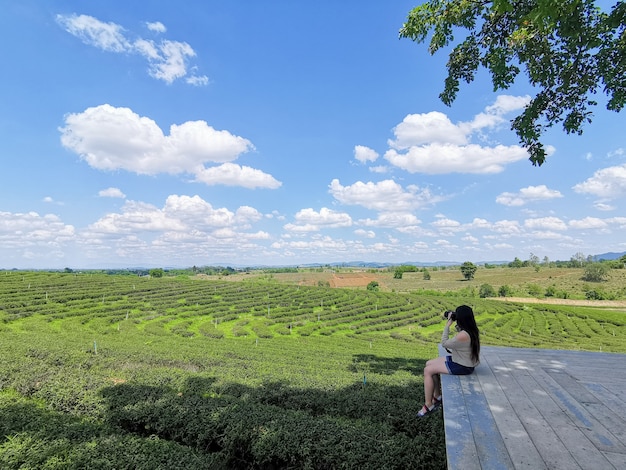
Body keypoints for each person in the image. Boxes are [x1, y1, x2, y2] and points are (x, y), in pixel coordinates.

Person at [417, 304, 480, 417]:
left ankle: (428, 404)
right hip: (461, 359)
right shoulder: (470, 329)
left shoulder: (463, 335)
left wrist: (448, 324)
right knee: (429, 363)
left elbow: (444, 343)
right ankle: (437, 396)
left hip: (463, 365)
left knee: (428, 370)